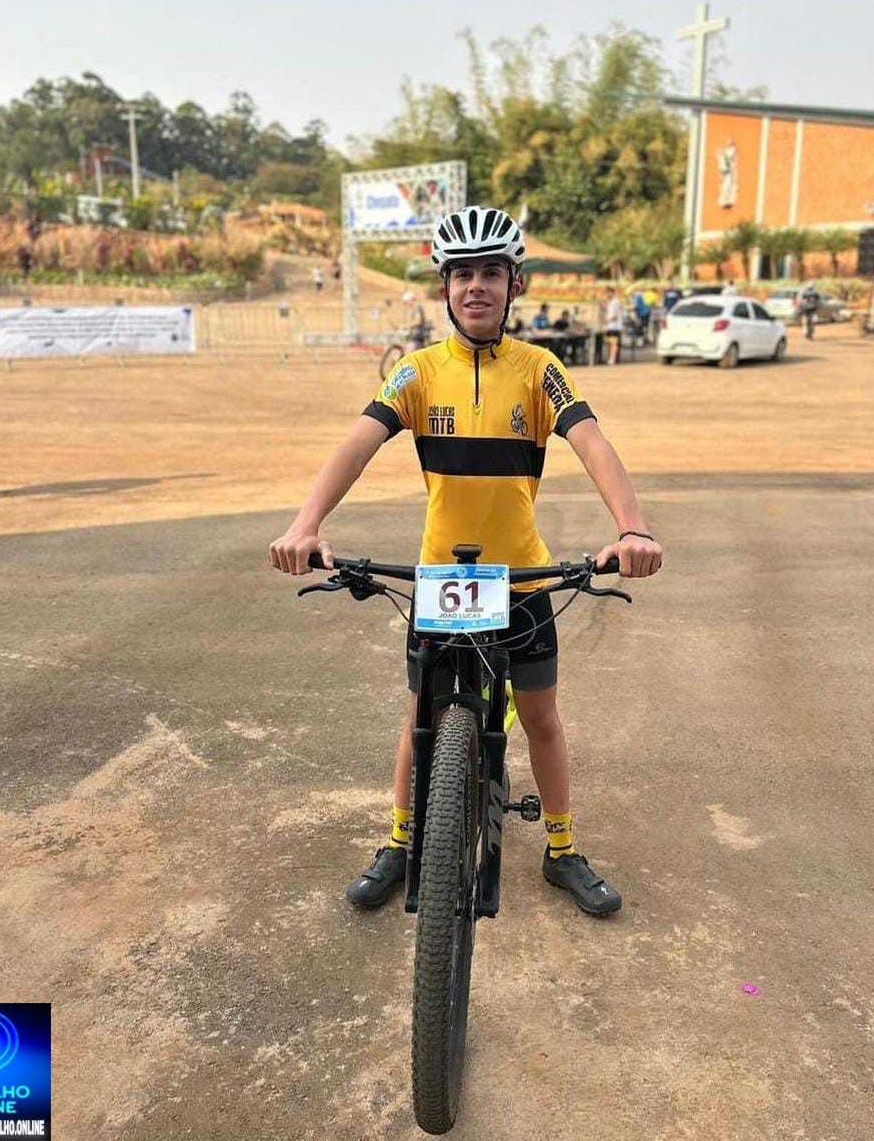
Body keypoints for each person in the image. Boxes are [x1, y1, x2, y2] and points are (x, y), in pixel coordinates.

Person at [269, 205, 662, 916]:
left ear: (515, 285)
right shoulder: (416, 372)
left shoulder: (540, 370)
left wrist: (631, 529)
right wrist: (306, 523)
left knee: (540, 717)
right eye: (460, 275)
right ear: (444, 288)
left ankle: (562, 850)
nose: (475, 286)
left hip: (522, 579)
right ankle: (400, 841)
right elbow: (356, 444)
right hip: (441, 579)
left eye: (490, 273)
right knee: (419, 714)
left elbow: (593, 444)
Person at [602, 287, 623, 365]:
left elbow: (615, 315)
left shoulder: (615, 302)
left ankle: (612, 359)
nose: (607, 295)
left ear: (612, 293)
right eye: (606, 293)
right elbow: (607, 310)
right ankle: (610, 358)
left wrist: (607, 321)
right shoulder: (610, 302)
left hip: (615, 326)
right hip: (609, 326)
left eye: (608, 293)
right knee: (609, 342)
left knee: (614, 343)